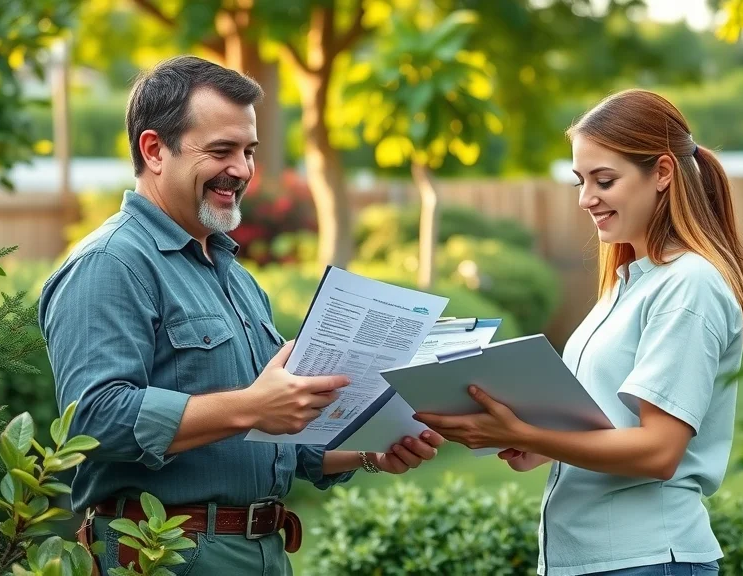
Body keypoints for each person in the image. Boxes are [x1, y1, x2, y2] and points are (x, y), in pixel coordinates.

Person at [38, 55, 444, 576]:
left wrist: (372, 451)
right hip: (165, 557)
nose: (243, 169)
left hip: (263, 552)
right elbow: (93, 420)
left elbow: (276, 445)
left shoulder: (235, 276)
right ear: (155, 149)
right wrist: (252, 406)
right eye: (222, 150)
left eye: (249, 151)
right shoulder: (109, 264)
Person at [414, 89, 743, 576]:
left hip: (645, 559)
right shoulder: (631, 282)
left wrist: (529, 432)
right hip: (598, 561)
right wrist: (531, 442)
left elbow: (659, 450)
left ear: (662, 173)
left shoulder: (689, 285)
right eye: (581, 180)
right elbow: (609, 423)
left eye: (604, 180)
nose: (585, 198)